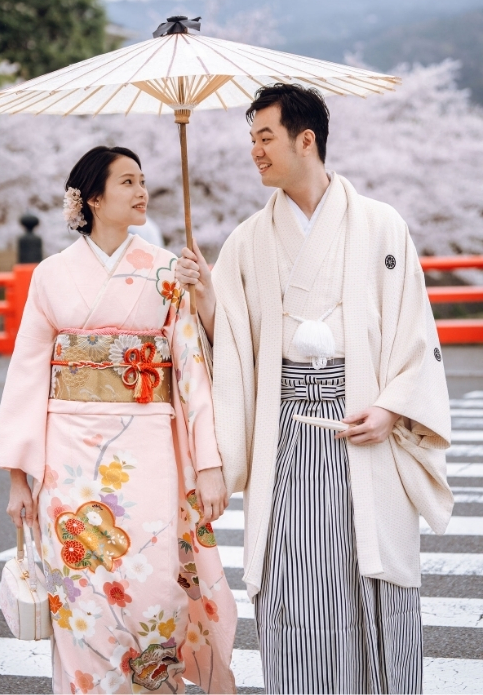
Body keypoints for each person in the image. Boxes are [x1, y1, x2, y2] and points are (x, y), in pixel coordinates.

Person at [176, 83, 452, 692]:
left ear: (307, 140)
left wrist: (391, 409)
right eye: (251, 140)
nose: (255, 151)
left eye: (266, 137)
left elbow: (414, 331)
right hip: (289, 431)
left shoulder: (381, 225)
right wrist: (206, 298)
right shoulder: (249, 239)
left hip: (366, 429)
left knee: (371, 573)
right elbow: (237, 342)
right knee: (295, 581)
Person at [0, 146, 236, 694]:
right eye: (127, 182)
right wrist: (17, 478)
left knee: (155, 592)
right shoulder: (52, 276)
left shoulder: (170, 270)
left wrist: (209, 465)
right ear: (93, 198)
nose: (142, 190)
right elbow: (28, 374)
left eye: (144, 180)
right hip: (68, 460)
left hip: (149, 449)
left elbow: (191, 370)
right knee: (81, 597)